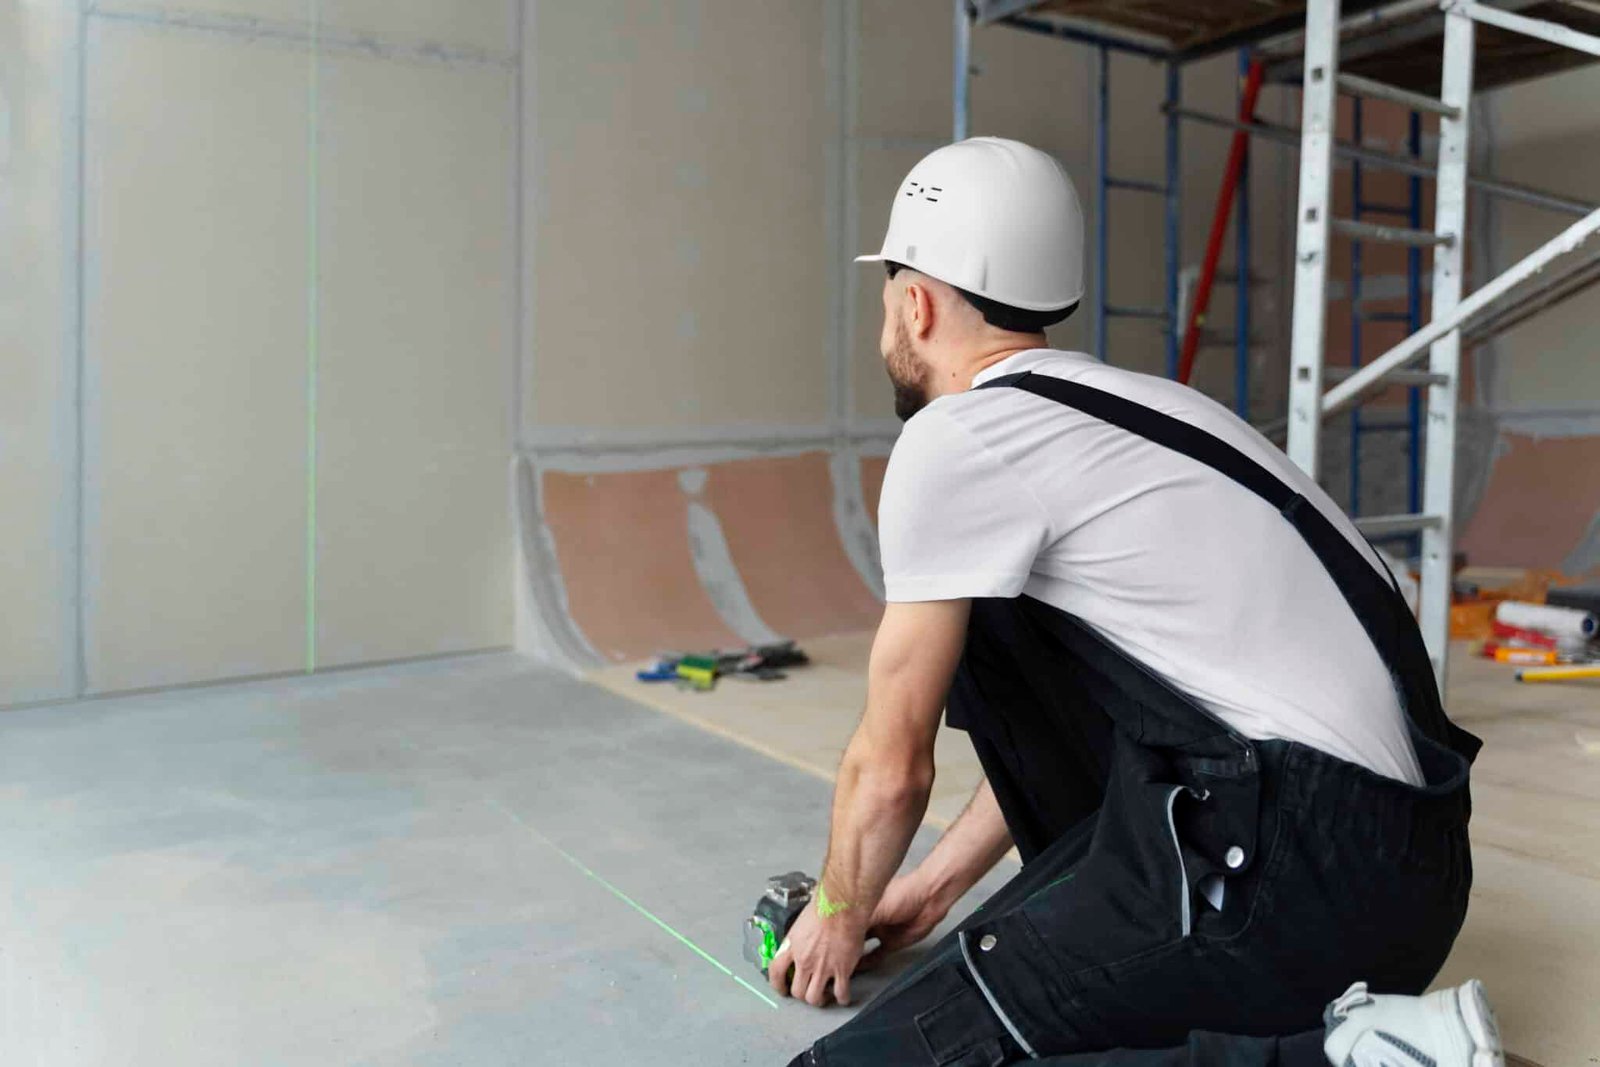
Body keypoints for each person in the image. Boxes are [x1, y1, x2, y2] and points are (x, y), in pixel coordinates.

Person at [771, 137, 1503, 1067]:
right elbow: (1115, 702)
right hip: (1414, 867)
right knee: (989, 615)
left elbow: (890, 766)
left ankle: (1349, 1056)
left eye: (889, 299)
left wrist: (835, 913)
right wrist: (931, 888)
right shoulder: (1139, 410)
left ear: (915, 304)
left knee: (886, 1059)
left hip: (1293, 868)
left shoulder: (957, 439)